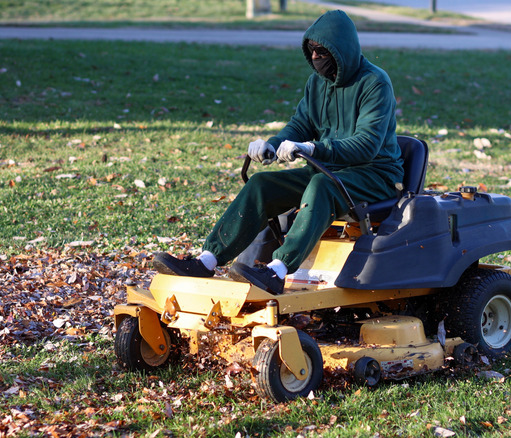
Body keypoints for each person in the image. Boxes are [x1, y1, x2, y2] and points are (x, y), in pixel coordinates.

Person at [152, 9, 403, 295]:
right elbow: (301, 124)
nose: (315, 58)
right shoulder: (317, 84)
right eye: (311, 51)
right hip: (329, 170)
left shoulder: (375, 83)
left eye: (322, 51)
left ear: (341, 50)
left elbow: (366, 145)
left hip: (376, 175)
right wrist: (272, 144)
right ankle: (206, 261)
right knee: (261, 184)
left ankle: (277, 271)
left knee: (322, 185)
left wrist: (313, 148)